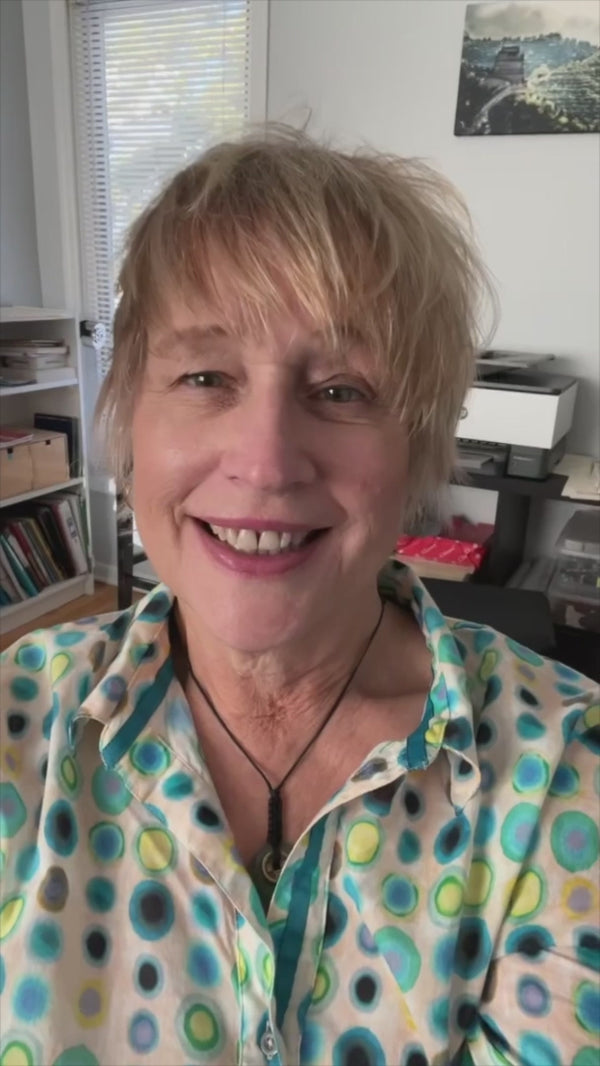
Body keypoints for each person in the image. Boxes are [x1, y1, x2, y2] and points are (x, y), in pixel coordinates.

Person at [0, 128, 598, 1066]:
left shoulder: (567, 767)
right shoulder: (19, 722)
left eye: (344, 390)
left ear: (421, 446)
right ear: (128, 417)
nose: (267, 462)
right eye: (205, 377)